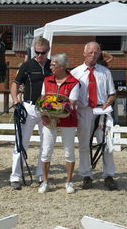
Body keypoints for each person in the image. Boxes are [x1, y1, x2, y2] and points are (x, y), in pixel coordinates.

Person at [71, 42, 117, 190]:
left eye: (96, 53)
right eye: (90, 52)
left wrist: (108, 103)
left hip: (102, 111)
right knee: (84, 144)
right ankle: (86, 175)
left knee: (107, 145)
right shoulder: (75, 73)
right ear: (84, 53)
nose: (93, 55)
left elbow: (112, 93)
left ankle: (109, 175)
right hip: (84, 111)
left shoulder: (105, 72)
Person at [9, 37, 52, 190]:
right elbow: (15, 84)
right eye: (37, 52)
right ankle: (15, 176)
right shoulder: (27, 65)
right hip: (29, 108)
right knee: (21, 142)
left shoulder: (52, 65)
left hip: (47, 109)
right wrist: (15, 100)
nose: (40, 55)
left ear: (48, 51)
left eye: (43, 53)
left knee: (46, 143)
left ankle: (41, 175)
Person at [39, 54, 79, 194]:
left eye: (53, 65)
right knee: (46, 151)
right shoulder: (47, 80)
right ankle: (45, 181)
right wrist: (45, 113)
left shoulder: (74, 82)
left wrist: (55, 109)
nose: (50, 67)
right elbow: (43, 99)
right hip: (49, 120)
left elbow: (71, 103)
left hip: (68, 121)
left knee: (69, 151)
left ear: (61, 67)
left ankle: (68, 182)